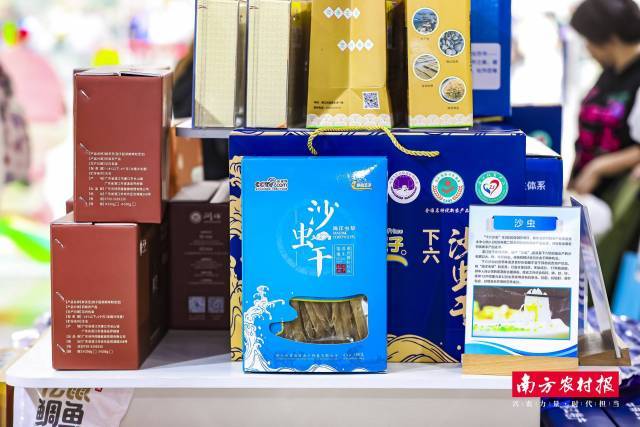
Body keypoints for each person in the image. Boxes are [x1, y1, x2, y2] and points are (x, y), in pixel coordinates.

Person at [569, 0, 640, 296]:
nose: (587, 49)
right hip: (589, 190)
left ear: (609, 38)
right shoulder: (610, 72)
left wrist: (598, 168)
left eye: (588, 40)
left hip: (618, 198)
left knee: (602, 281)